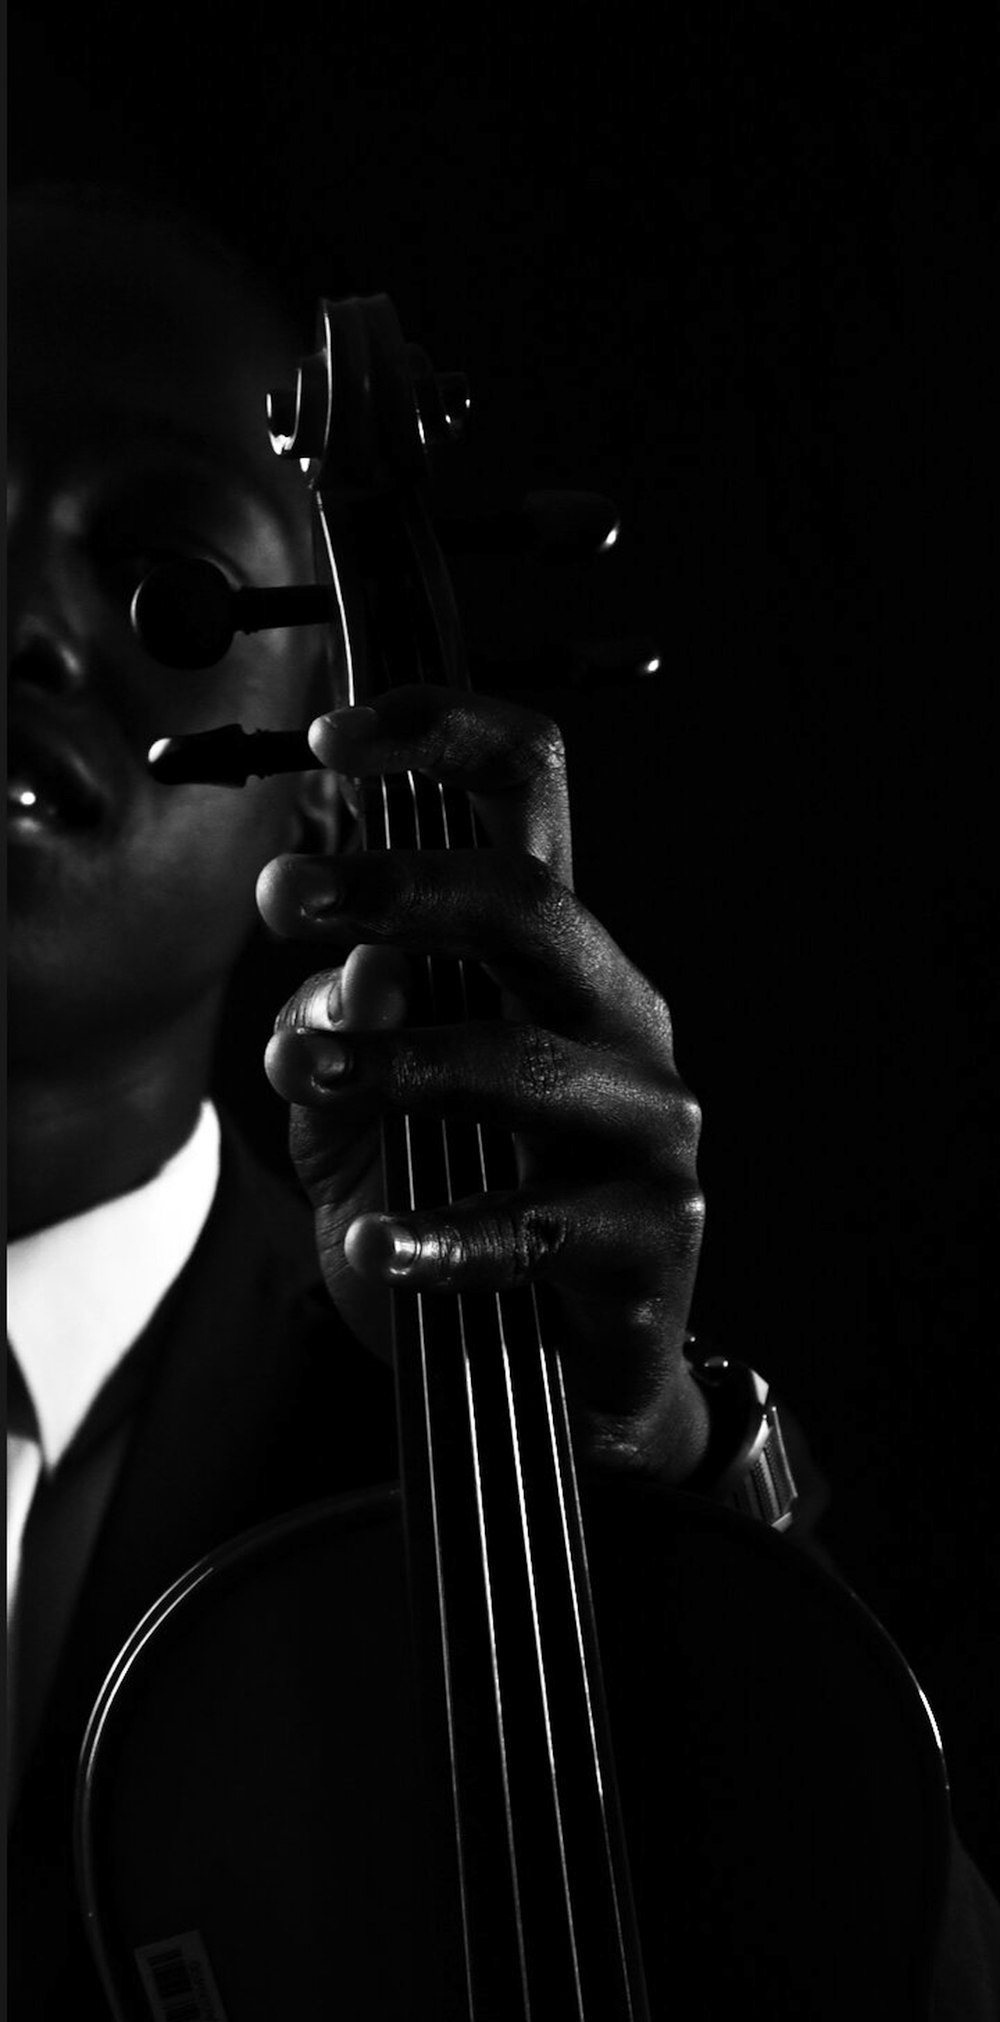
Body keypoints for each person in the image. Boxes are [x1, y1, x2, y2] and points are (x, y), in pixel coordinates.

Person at [7, 183, 998, 2018]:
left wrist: (652, 1468)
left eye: (156, 567)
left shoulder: (434, 1441)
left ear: (329, 743)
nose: (24, 631)